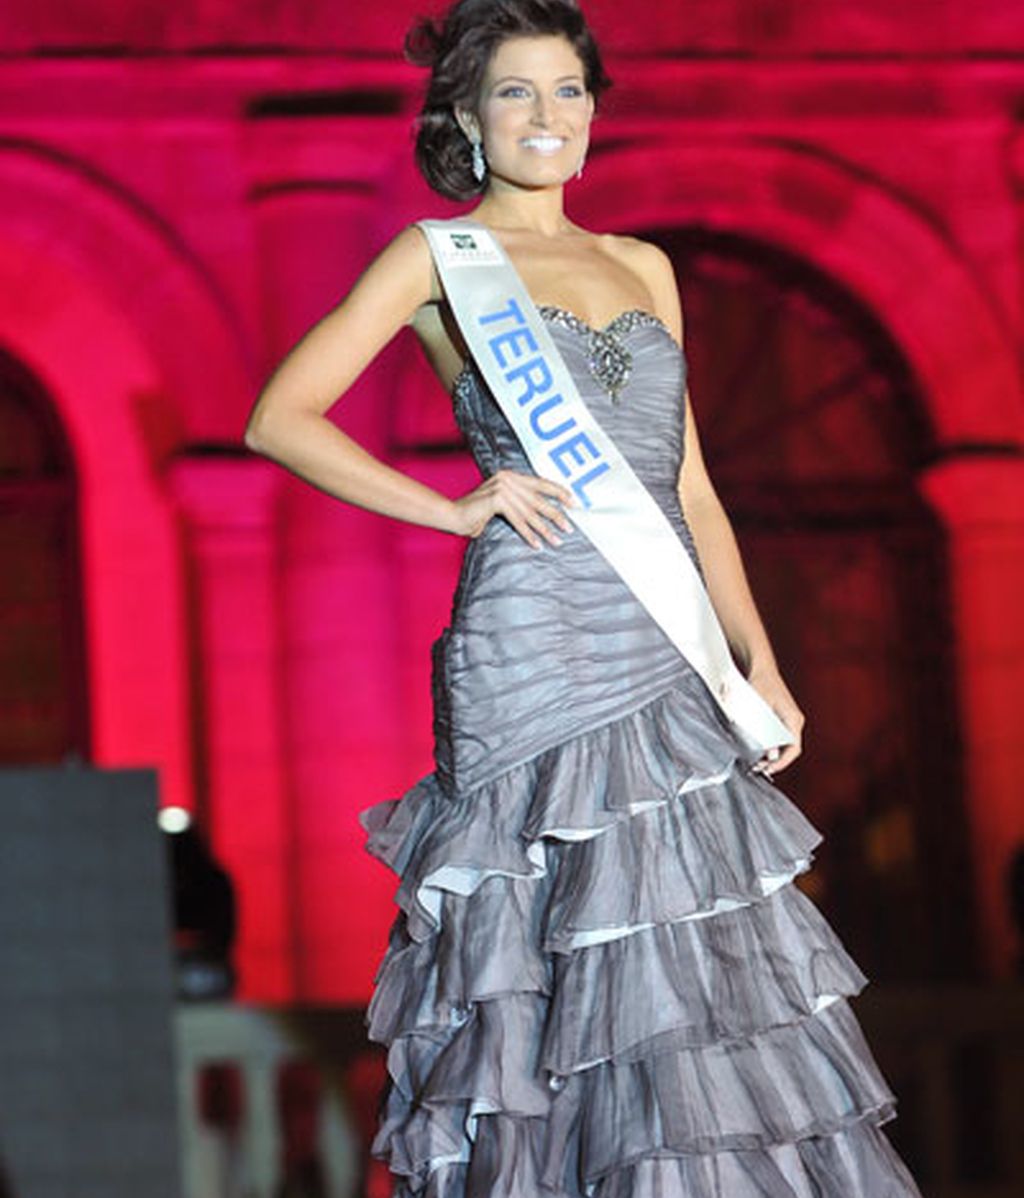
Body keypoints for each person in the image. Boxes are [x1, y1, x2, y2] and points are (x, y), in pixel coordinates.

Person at [245, 1, 925, 1193]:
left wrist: (756, 661)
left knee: (690, 950)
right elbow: (278, 418)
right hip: (534, 640)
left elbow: (692, 492)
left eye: (568, 90)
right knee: (545, 951)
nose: (547, 116)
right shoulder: (433, 257)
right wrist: (454, 507)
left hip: (663, 648)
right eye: (515, 92)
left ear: (595, 109)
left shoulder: (642, 265)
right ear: (466, 114)